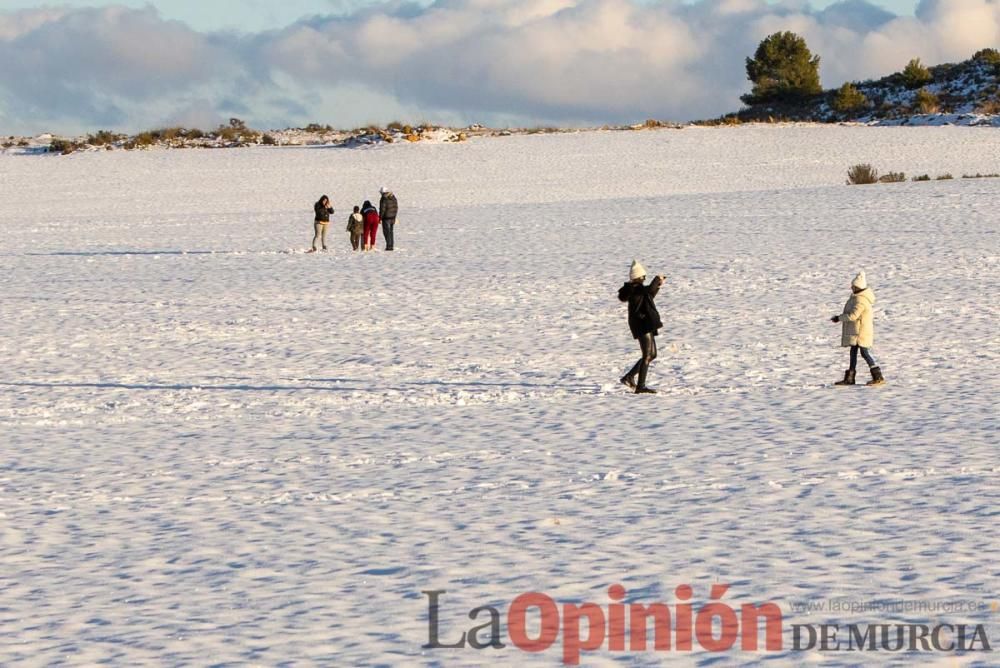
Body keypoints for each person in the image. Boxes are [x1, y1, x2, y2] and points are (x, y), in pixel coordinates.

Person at [618, 260, 665, 394]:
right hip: (641, 324)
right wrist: (657, 279)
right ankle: (640, 386)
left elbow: (648, 296)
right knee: (647, 355)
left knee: (652, 354)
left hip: (644, 324)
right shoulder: (635, 289)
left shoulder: (636, 290)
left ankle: (629, 377)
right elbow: (648, 292)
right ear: (640, 277)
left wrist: (658, 285)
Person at [831, 270, 885, 386]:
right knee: (853, 352)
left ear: (857, 287)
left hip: (860, 333)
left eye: (853, 286)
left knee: (864, 353)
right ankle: (850, 378)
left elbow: (853, 316)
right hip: (857, 332)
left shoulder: (860, 300)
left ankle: (878, 376)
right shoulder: (857, 298)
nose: (851, 288)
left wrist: (839, 318)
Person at [379, 186, 398, 251]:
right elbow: (396, 207)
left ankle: (389, 247)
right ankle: (391, 246)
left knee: (386, 232)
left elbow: (382, 209)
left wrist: (380, 218)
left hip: (386, 218)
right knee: (391, 232)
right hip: (393, 218)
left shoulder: (384, 199)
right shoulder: (393, 197)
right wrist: (395, 216)